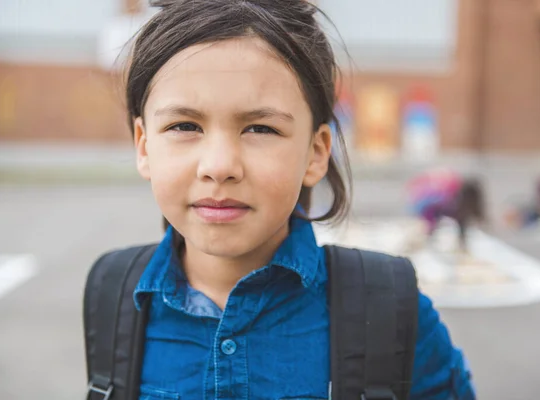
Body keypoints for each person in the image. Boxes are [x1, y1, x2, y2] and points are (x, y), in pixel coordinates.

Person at [88, 1, 475, 398]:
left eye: (260, 128)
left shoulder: (390, 309)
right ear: (144, 145)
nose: (219, 167)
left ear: (316, 152)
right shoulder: (111, 295)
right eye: (184, 125)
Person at [408, 169, 486, 253]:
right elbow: (430, 212)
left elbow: (462, 223)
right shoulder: (450, 202)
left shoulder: (456, 202)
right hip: (425, 209)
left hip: (427, 209)